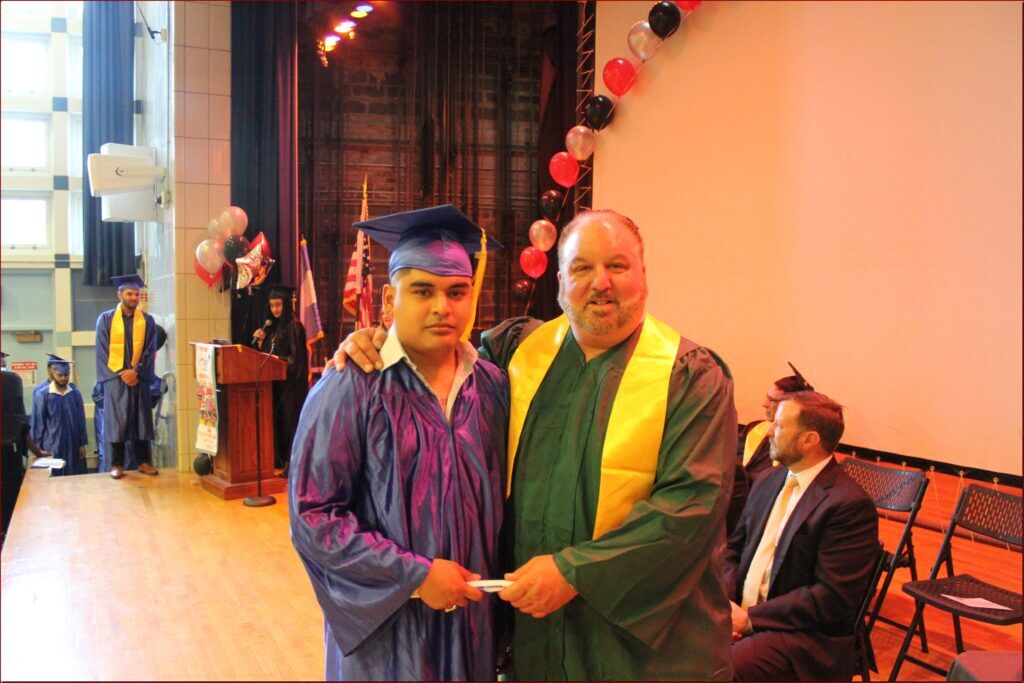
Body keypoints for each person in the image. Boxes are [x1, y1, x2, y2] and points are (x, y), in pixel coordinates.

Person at [334, 209, 737, 680]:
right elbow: (439, 360)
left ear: (643, 275)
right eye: (582, 268)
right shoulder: (518, 351)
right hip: (537, 633)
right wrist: (379, 341)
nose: (601, 282)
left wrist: (574, 572)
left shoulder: (691, 377)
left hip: (644, 648)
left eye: (617, 265)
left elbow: (690, 506)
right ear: (561, 281)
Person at [289, 205, 509, 681]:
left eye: (457, 291)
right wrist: (415, 576)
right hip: (389, 635)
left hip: (471, 624)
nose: (442, 307)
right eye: (423, 291)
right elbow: (313, 516)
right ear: (389, 299)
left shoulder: (492, 387)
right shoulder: (351, 386)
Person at [725, 391, 878, 681]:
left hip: (800, 636)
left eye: (779, 425)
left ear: (809, 439)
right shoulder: (767, 480)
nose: (768, 431)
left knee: (714, 669)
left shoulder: (848, 505)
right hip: (742, 615)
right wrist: (725, 606)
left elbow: (830, 598)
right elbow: (733, 550)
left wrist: (749, 619)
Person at [95, 274, 159, 480]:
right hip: (115, 378)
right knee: (117, 420)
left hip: (139, 377)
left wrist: (137, 371)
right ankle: (117, 464)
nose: (134, 298)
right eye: (129, 294)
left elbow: (150, 350)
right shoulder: (106, 320)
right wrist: (121, 373)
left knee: (141, 418)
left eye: (137, 294)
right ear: (119, 295)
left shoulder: (147, 320)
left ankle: (143, 462)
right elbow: (103, 350)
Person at [250, 285, 307, 477]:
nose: (275, 309)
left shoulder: (294, 326)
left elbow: (295, 360)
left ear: (286, 305)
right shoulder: (274, 328)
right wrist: (261, 343)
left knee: (290, 426)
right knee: (279, 425)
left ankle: (292, 466)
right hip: (277, 385)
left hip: (291, 387)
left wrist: (276, 360)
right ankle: (279, 461)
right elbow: (269, 354)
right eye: (272, 305)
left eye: (279, 305)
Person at [95, 324, 167, 473]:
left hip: (136, 419)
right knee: (118, 436)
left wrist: (137, 375)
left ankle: (142, 462)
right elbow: (98, 394)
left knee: (140, 426)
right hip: (115, 418)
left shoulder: (149, 375)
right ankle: (117, 464)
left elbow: (153, 393)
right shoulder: (114, 362)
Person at [2, 352, 51, 538]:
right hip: (9, 452)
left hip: (10, 450)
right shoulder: (11, 379)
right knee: (11, 496)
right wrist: (37, 452)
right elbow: (21, 423)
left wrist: (38, 452)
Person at [738, 365, 813, 482]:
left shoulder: (798, 445)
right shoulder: (753, 429)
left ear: (791, 405)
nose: (765, 404)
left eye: (772, 400)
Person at [29, 354, 88, 476]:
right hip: (52, 444)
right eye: (60, 375)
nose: (63, 378)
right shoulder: (43, 395)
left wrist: (82, 443)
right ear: (53, 373)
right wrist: (39, 449)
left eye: (66, 375)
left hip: (73, 443)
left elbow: (80, 420)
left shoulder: (74, 393)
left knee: (74, 475)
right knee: (54, 476)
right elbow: (38, 423)